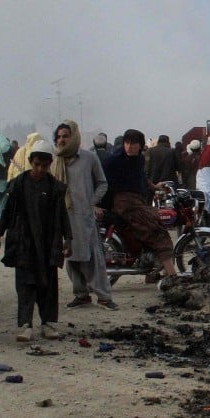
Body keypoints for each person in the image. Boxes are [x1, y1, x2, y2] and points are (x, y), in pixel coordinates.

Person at [0, 141, 72, 342]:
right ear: (30, 162)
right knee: (25, 285)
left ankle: (48, 324)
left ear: (50, 164)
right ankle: (25, 325)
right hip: (24, 243)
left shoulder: (54, 187)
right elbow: (7, 212)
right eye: (36, 164)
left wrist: (68, 239)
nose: (40, 169)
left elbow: (62, 215)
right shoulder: (19, 184)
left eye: (44, 166)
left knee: (49, 285)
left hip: (48, 244)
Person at [52, 121, 117, 311]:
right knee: (70, 258)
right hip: (63, 216)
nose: (62, 140)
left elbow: (102, 183)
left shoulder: (89, 158)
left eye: (66, 135)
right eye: (59, 136)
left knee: (92, 258)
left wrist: (91, 202)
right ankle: (81, 295)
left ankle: (104, 297)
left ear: (74, 137)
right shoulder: (55, 160)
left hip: (84, 216)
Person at [102, 129, 178, 281]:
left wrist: (155, 186)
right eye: (127, 143)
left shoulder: (139, 159)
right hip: (124, 204)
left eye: (133, 143)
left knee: (153, 227)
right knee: (157, 231)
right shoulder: (114, 160)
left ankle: (152, 272)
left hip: (138, 201)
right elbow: (101, 182)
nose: (129, 147)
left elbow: (141, 178)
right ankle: (172, 276)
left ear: (140, 145)